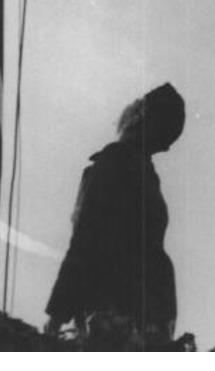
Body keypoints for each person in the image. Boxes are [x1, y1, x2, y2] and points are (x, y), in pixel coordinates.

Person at [44, 83, 185, 348]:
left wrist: (58, 312)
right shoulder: (131, 168)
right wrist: (59, 310)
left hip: (124, 309)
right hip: (132, 312)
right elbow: (87, 237)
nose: (163, 147)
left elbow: (85, 237)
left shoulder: (125, 165)